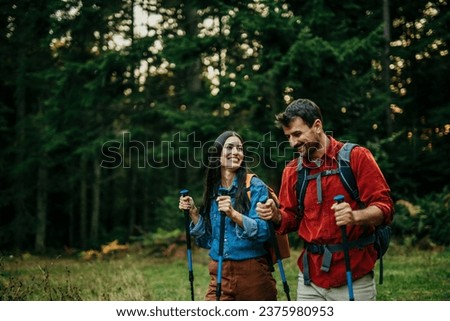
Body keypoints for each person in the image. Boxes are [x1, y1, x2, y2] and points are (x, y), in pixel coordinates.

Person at [257, 98, 394, 301]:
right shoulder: (292, 171)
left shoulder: (356, 157)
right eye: (288, 137)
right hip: (310, 280)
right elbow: (291, 219)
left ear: (317, 126)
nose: (293, 143)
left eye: (297, 134)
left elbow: (385, 208)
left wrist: (355, 216)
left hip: (354, 274)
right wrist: (276, 215)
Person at [179, 130, 277, 301]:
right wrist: (194, 214)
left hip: (253, 273)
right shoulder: (212, 190)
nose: (236, 152)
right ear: (218, 154)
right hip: (219, 272)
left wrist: (233, 214)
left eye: (239, 148)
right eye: (230, 147)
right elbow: (207, 240)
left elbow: (263, 231)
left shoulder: (255, 186)